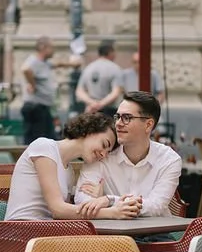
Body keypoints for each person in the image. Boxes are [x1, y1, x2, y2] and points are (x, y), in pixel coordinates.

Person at [4, 112, 141, 221]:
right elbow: (57, 209)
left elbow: (68, 212)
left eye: (108, 152)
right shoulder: (44, 147)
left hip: (45, 233)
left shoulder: (69, 171)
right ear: (89, 130)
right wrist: (112, 213)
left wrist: (96, 199)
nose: (103, 155)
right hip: (19, 232)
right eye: (104, 145)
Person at [73, 91, 181, 219]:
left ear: (148, 125)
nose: (118, 123)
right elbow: (82, 200)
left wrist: (109, 200)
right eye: (117, 117)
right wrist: (107, 205)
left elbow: (156, 206)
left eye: (126, 118)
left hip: (155, 233)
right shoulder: (102, 155)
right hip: (111, 234)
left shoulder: (169, 159)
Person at [20, 36, 80, 145]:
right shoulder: (34, 61)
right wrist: (32, 84)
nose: (53, 50)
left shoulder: (45, 63)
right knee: (36, 142)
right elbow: (25, 69)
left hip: (43, 108)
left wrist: (72, 64)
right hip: (35, 108)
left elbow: (57, 64)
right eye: (51, 47)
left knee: (50, 139)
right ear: (43, 47)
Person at [75, 40, 123, 118]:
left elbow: (79, 91)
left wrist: (92, 103)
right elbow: (116, 92)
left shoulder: (88, 68)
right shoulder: (115, 68)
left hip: (91, 110)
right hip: (109, 111)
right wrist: (100, 104)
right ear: (111, 52)